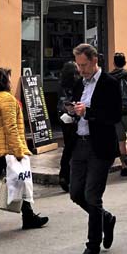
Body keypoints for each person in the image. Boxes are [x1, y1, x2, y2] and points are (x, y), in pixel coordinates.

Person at [0, 68, 48, 234]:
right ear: (5, 81)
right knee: (23, 181)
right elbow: (11, 127)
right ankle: (28, 216)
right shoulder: (8, 100)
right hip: (6, 149)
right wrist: (19, 150)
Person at [69, 44, 121, 254]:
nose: (81, 70)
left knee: (92, 195)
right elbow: (75, 107)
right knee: (75, 193)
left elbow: (114, 115)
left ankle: (93, 247)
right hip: (79, 144)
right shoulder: (79, 83)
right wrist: (70, 111)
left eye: (83, 65)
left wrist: (87, 113)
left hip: (100, 146)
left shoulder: (110, 83)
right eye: (78, 65)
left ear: (94, 60)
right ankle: (105, 218)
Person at [58, 61, 81, 192]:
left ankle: (63, 174)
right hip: (74, 117)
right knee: (75, 147)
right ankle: (70, 176)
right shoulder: (78, 83)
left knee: (67, 147)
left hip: (62, 117)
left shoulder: (61, 84)